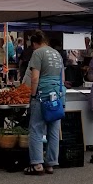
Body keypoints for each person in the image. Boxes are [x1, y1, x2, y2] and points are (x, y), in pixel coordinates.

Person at [24, 31, 64, 175]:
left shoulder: (38, 53)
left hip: (42, 94)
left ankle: (37, 164)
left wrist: (33, 95)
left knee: (36, 129)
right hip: (56, 95)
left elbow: (35, 78)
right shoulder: (57, 54)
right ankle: (51, 163)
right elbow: (62, 78)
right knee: (53, 130)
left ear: (34, 43)